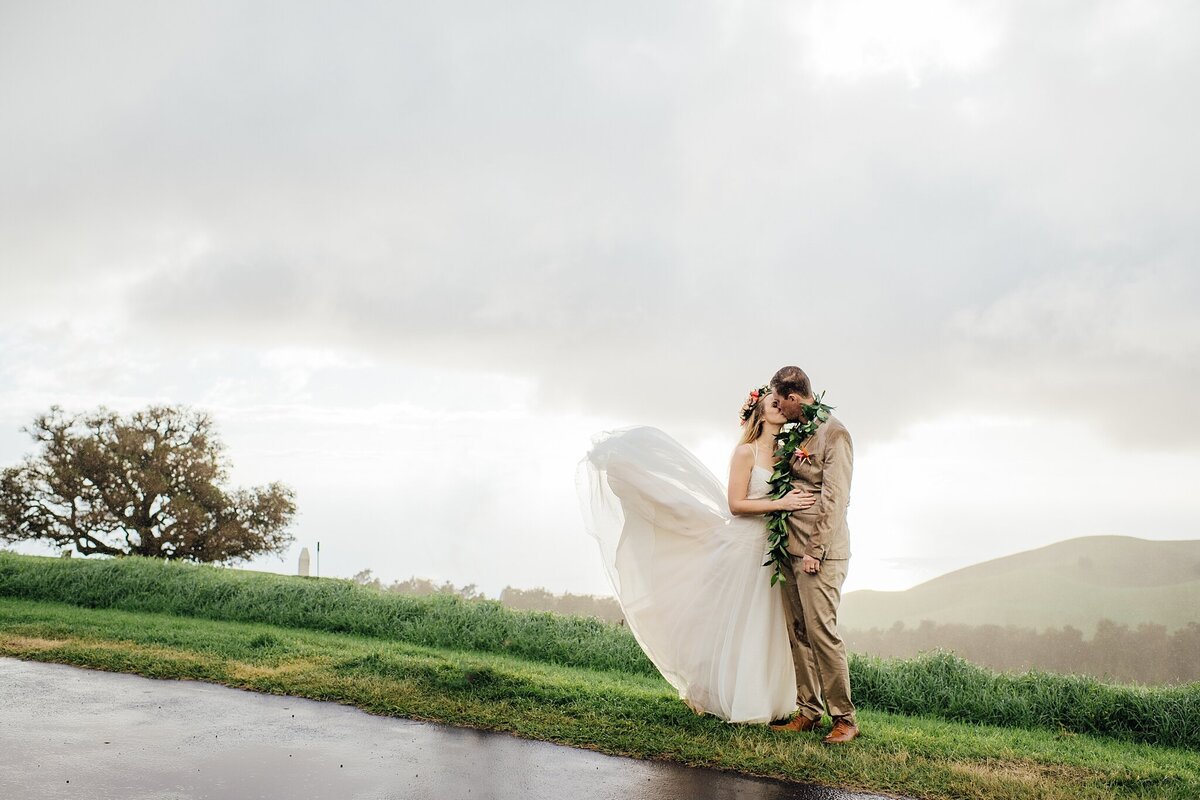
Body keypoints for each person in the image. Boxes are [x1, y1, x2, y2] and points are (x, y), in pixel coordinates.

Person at [576, 387, 814, 724]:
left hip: (772, 551)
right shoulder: (745, 453)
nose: (780, 407)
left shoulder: (785, 453)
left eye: (782, 403)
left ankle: (764, 700)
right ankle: (722, 696)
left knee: (764, 624)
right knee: (734, 622)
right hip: (745, 546)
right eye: (773, 403)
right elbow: (736, 505)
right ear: (759, 414)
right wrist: (781, 503)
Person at [767, 365, 859, 744]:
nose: (777, 406)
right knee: (798, 631)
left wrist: (815, 551)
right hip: (789, 549)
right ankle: (808, 710)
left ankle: (845, 718)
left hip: (819, 554)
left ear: (794, 397)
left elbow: (835, 500)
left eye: (779, 400)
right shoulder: (798, 431)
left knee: (822, 633)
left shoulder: (835, 435)